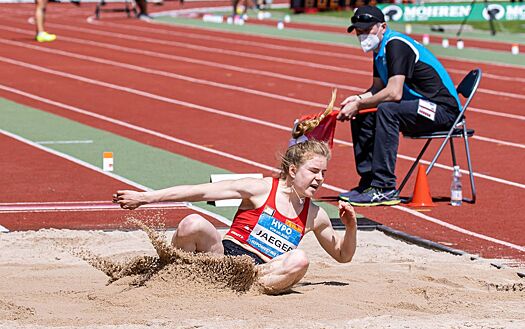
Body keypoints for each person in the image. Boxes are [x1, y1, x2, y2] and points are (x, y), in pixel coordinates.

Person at [113, 140, 358, 294]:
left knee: (300, 260)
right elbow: (199, 191)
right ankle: (174, 275)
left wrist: (351, 227)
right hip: (221, 260)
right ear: (293, 170)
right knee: (192, 223)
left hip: (259, 274)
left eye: (323, 173)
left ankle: (242, 291)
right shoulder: (260, 189)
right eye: (314, 171)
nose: (319, 178)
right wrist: (145, 198)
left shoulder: (315, 215)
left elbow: (343, 255)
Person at [337, 5, 461, 207]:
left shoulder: (396, 45)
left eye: (367, 30)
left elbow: (394, 93)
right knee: (363, 114)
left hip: (442, 111)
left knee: (387, 109)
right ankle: (369, 182)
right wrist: (356, 100)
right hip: (418, 106)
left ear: (382, 27)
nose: (362, 35)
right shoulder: (379, 51)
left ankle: (384, 188)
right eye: (358, 31)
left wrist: (359, 103)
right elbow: (377, 89)